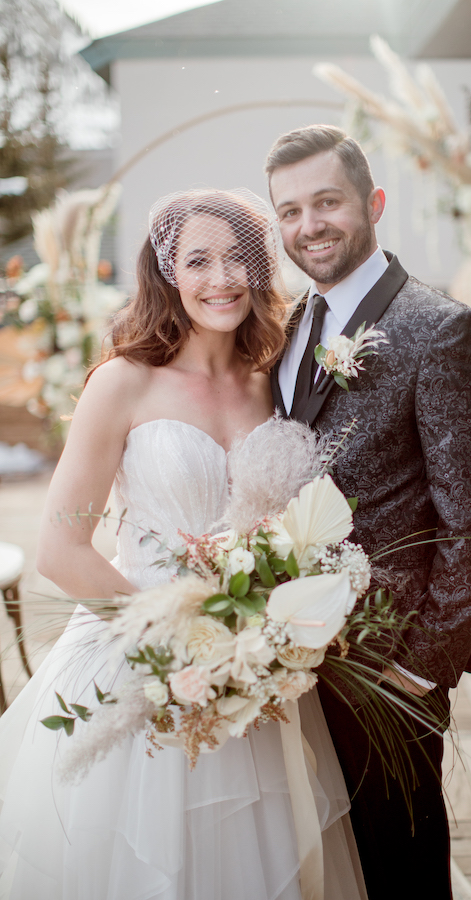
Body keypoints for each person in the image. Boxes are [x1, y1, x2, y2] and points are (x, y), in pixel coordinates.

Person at [0, 189, 368, 900]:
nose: (221, 278)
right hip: (143, 653)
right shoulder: (122, 384)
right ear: (166, 272)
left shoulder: (276, 380)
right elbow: (61, 550)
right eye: (198, 260)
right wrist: (181, 638)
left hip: (260, 665)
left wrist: (263, 629)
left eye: (238, 259)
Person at [266, 125, 471, 899]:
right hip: (299, 650)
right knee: (336, 850)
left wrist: (418, 667)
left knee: (400, 860)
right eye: (290, 210)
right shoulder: (293, 323)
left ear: (372, 202)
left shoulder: (442, 330)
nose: (309, 226)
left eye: (327, 202)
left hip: (389, 661)